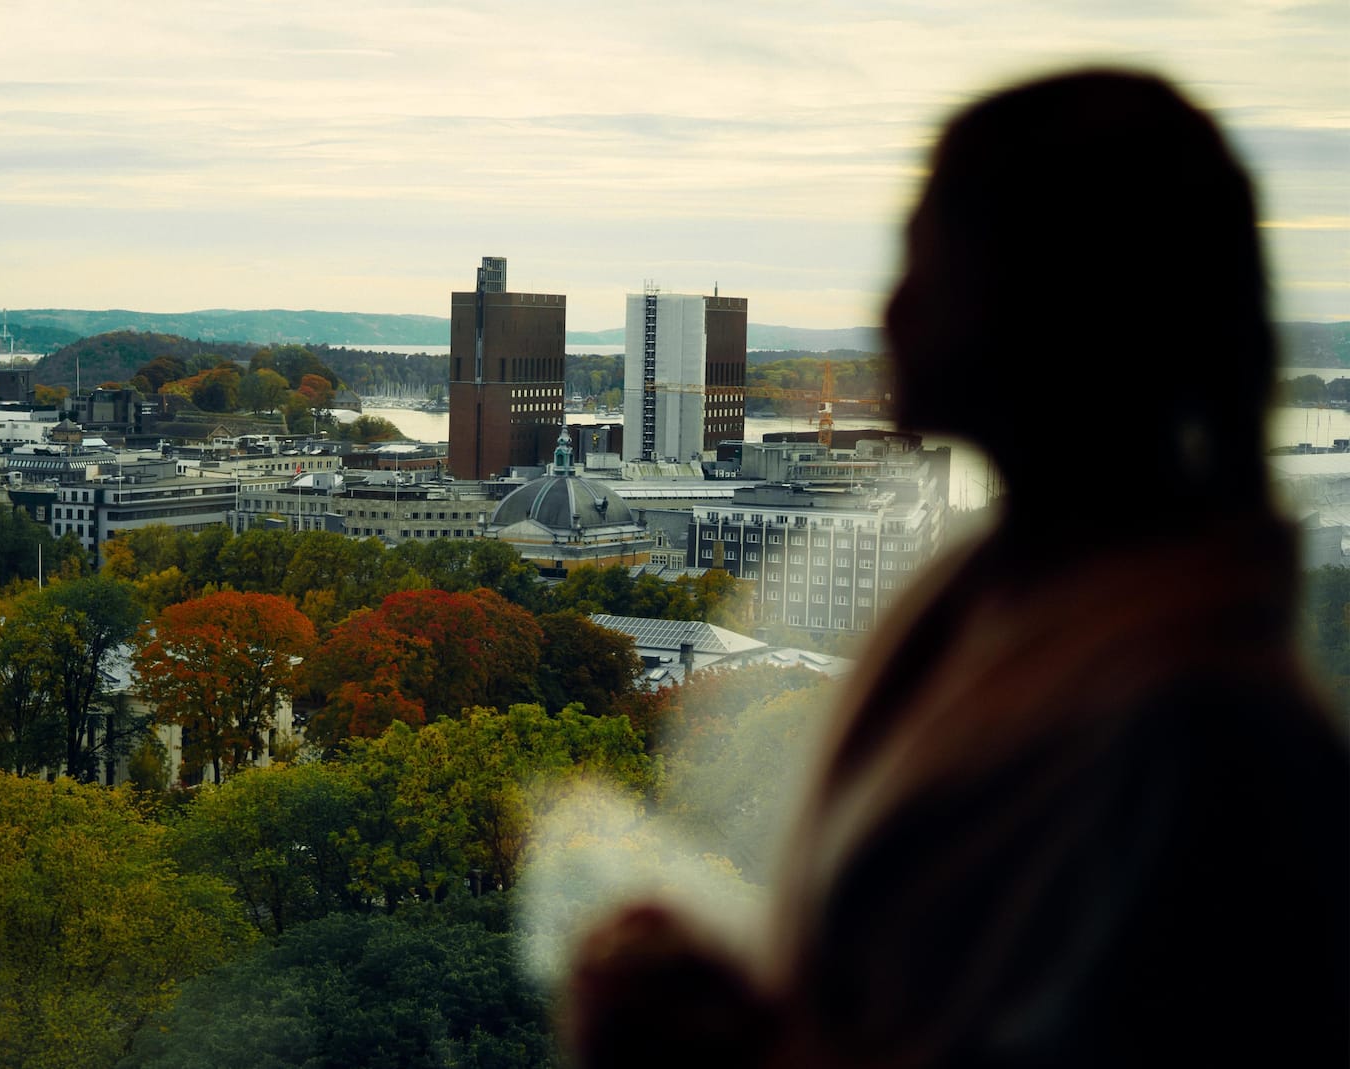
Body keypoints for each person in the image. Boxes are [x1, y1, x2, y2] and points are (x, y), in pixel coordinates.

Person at [569, 69, 1350, 1068]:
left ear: (1071, 309)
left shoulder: (1203, 739)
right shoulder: (998, 613)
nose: (888, 308)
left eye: (928, 262)